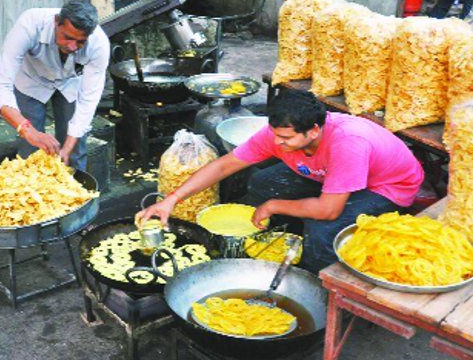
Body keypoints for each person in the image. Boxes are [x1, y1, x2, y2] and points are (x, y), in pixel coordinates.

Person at [138, 91, 424, 273]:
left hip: (386, 188)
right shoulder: (281, 134)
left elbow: (329, 211)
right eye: (275, 134)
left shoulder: (348, 143)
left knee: (321, 229)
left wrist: (274, 206)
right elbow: (225, 165)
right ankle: (278, 243)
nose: (276, 143)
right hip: (329, 175)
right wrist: (171, 199)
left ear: (313, 131)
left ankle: (317, 282)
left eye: (285, 139)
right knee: (263, 181)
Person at [0, 0, 110, 170]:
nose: (73, 46)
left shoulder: (99, 44)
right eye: (67, 37)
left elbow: (88, 100)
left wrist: (66, 148)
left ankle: (75, 190)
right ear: (56, 22)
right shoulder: (30, 23)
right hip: (31, 80)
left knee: (75, 148)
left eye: (80, 42)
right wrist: (28, 131)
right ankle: (30, 190)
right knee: (30, 147)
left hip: (70, 82)